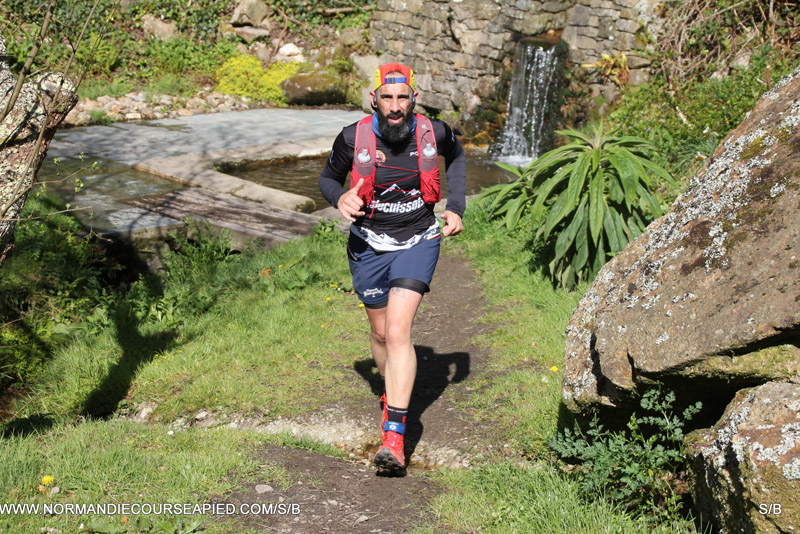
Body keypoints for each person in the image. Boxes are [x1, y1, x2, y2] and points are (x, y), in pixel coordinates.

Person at [318, 62, 466, 471]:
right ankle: (391, 393)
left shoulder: (434, 132)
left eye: (403, 97)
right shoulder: (352, 137)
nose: (396, 106)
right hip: (367, 244)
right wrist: (339, 198)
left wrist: (455, 206)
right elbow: (327, 179)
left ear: (414, 99)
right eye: (388, 97)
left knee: (399, 332)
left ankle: (394, 437)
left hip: (418, 240)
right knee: (381, 333)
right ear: (374, 100)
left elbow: (457, 157)